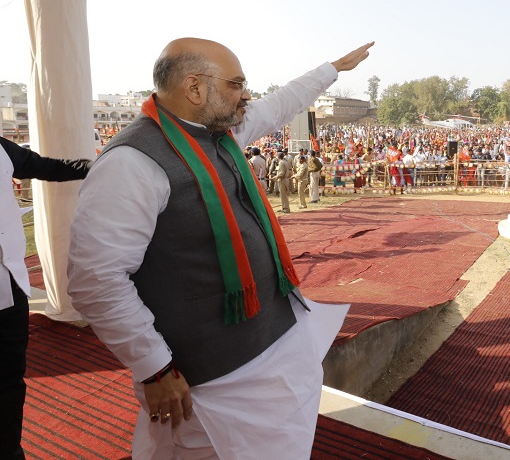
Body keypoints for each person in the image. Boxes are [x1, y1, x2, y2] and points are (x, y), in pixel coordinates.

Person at [67, 38, 372, 459]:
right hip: (212, 377)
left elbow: (281, 103)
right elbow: (95, 282)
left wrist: (332, 69)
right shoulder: (130, 164)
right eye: (236, 84)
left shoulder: (222, 131)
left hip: (273, 338)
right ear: (195, 88)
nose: (246, 95)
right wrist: (154, 367)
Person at [1, 137, 91, 460]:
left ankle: (9, 450)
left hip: (9, 290)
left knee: (10, 380)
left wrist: (92, 166)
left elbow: (45, 167)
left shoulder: (2, 149)